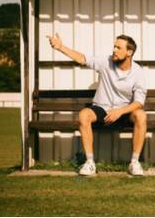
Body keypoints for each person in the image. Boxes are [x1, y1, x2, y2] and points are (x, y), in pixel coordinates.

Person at [46, 33, 147, 177]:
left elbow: (139, 102)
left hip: (123, 111)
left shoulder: (138, 72)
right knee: (84, 115)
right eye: (114, 46)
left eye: (118, 48)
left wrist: (119, 112)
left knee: (141, 115)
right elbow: (82, 58)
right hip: (102, 108)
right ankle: (90, 163)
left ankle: (134, 163)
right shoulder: (105, 62)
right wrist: (61, 47)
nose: (114, 50)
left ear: (129, 52)